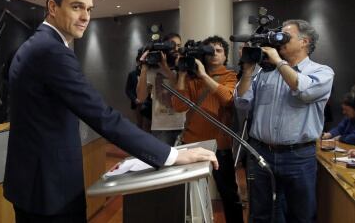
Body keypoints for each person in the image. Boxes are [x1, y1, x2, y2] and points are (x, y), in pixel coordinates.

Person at [3, 0, 218, 223]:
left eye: (89, 9)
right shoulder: (51, 51)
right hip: (49, 189)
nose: (85, 17)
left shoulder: (36, 44)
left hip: (33, 183)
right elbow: (101, 116)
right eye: (76, 7)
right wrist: (172, 155)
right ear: (53, 7)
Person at [235, 19, 334, 222]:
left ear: (304, 41)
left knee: (301, 215)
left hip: (298, 156)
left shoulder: (321, 72)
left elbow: (303, 91)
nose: (278, 40)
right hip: (261, 153)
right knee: (261, 214)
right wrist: (247, 71)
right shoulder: (264, 73)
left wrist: (279, 62)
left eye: (285, 36)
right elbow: (242, 104)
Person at [171, 35, 244, 223]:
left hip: (220, 146)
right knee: (191, 195)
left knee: (229, 194)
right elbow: (179, 106)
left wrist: (204, 75)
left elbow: (228, 98)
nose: (214, 54)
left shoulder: (231, 76)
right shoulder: (191, 79)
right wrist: (181, 74)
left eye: (219, 50)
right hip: (192, 144)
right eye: (210, 51)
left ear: (226, 56)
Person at [136, 33, 185, 146]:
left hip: (183, 125)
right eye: (172, 45)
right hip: (161, 127)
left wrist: (166, 69)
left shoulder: (183, 67)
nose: (176, 49)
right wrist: (143, 68)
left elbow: (182, 92)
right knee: (164, 163)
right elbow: (141, 97)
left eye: (179, 45)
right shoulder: (153, 69)